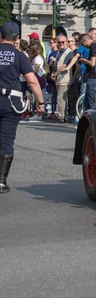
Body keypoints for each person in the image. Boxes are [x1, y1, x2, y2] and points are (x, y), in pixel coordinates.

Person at [0, 22, 46, 193]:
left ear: (0, 36)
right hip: (11, 101)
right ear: (17, 38)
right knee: (6, 140)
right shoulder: (20, 56)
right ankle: (1, 181)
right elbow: (32, 81)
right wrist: (41, 103)